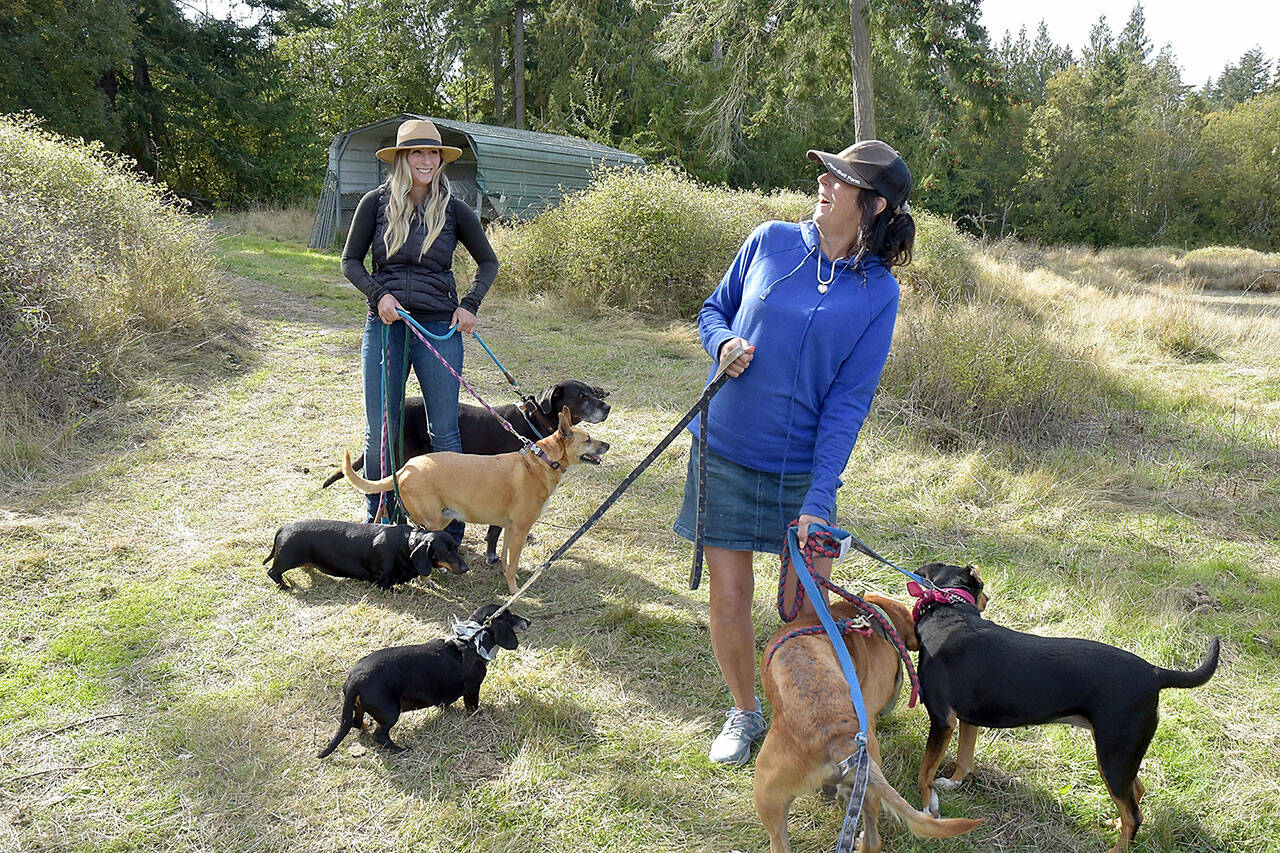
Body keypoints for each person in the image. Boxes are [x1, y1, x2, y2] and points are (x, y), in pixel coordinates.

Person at [673, 140, 915, 765]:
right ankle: (746, 712)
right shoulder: (770, 240)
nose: (824, 183)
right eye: (825, 174)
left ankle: (804, 716)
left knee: (805, 608)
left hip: (801, 469)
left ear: (874, 205)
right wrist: (722, 341)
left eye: (841, 179)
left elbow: (847, 403)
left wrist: (821, 492)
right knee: (729, 595)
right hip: (723, 446)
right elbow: (713, 310)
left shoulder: (878, 294)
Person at [341, 118, 499, 525]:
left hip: (439, 330)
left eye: (433, 153)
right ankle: (379, 522)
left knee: (444, 431)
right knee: (381, 430)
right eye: (418, 152)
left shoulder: (455, 209)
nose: (426, 160)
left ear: (440, 160)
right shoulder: (374, 204)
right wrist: (379, 296)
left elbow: (488, 262)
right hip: (386, 328)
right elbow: (350, 262)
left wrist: (470, 305)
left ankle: (450, 526)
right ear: (402, 158)